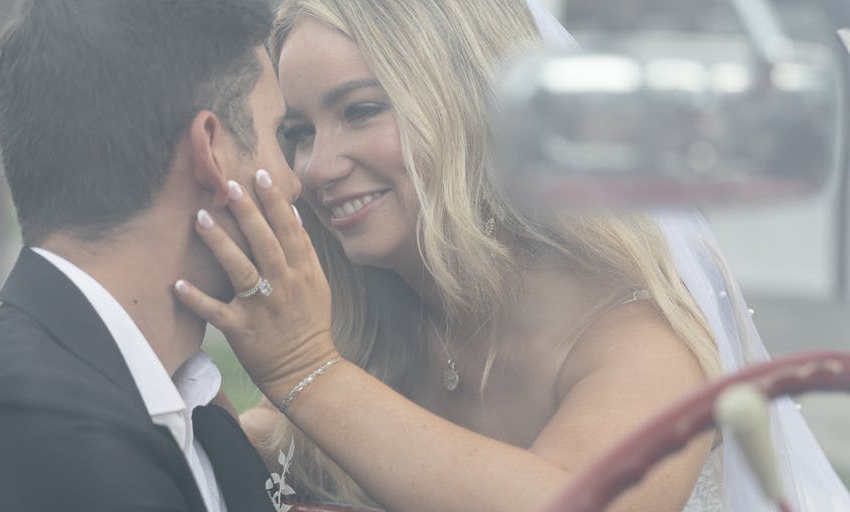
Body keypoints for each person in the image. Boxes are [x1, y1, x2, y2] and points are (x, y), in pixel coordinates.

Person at [173, 0, 850, 510]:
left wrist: (305, 370)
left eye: (362, 111)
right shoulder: (376, 322)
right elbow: (271, 456)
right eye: (297, 133)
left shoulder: (639, 336)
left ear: (470, 107)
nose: (316, 167)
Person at [0, 1, 301, 511]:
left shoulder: (180, 397)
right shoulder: (32, 439)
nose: (295, 183)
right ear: (210, 150)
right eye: (280, 135)